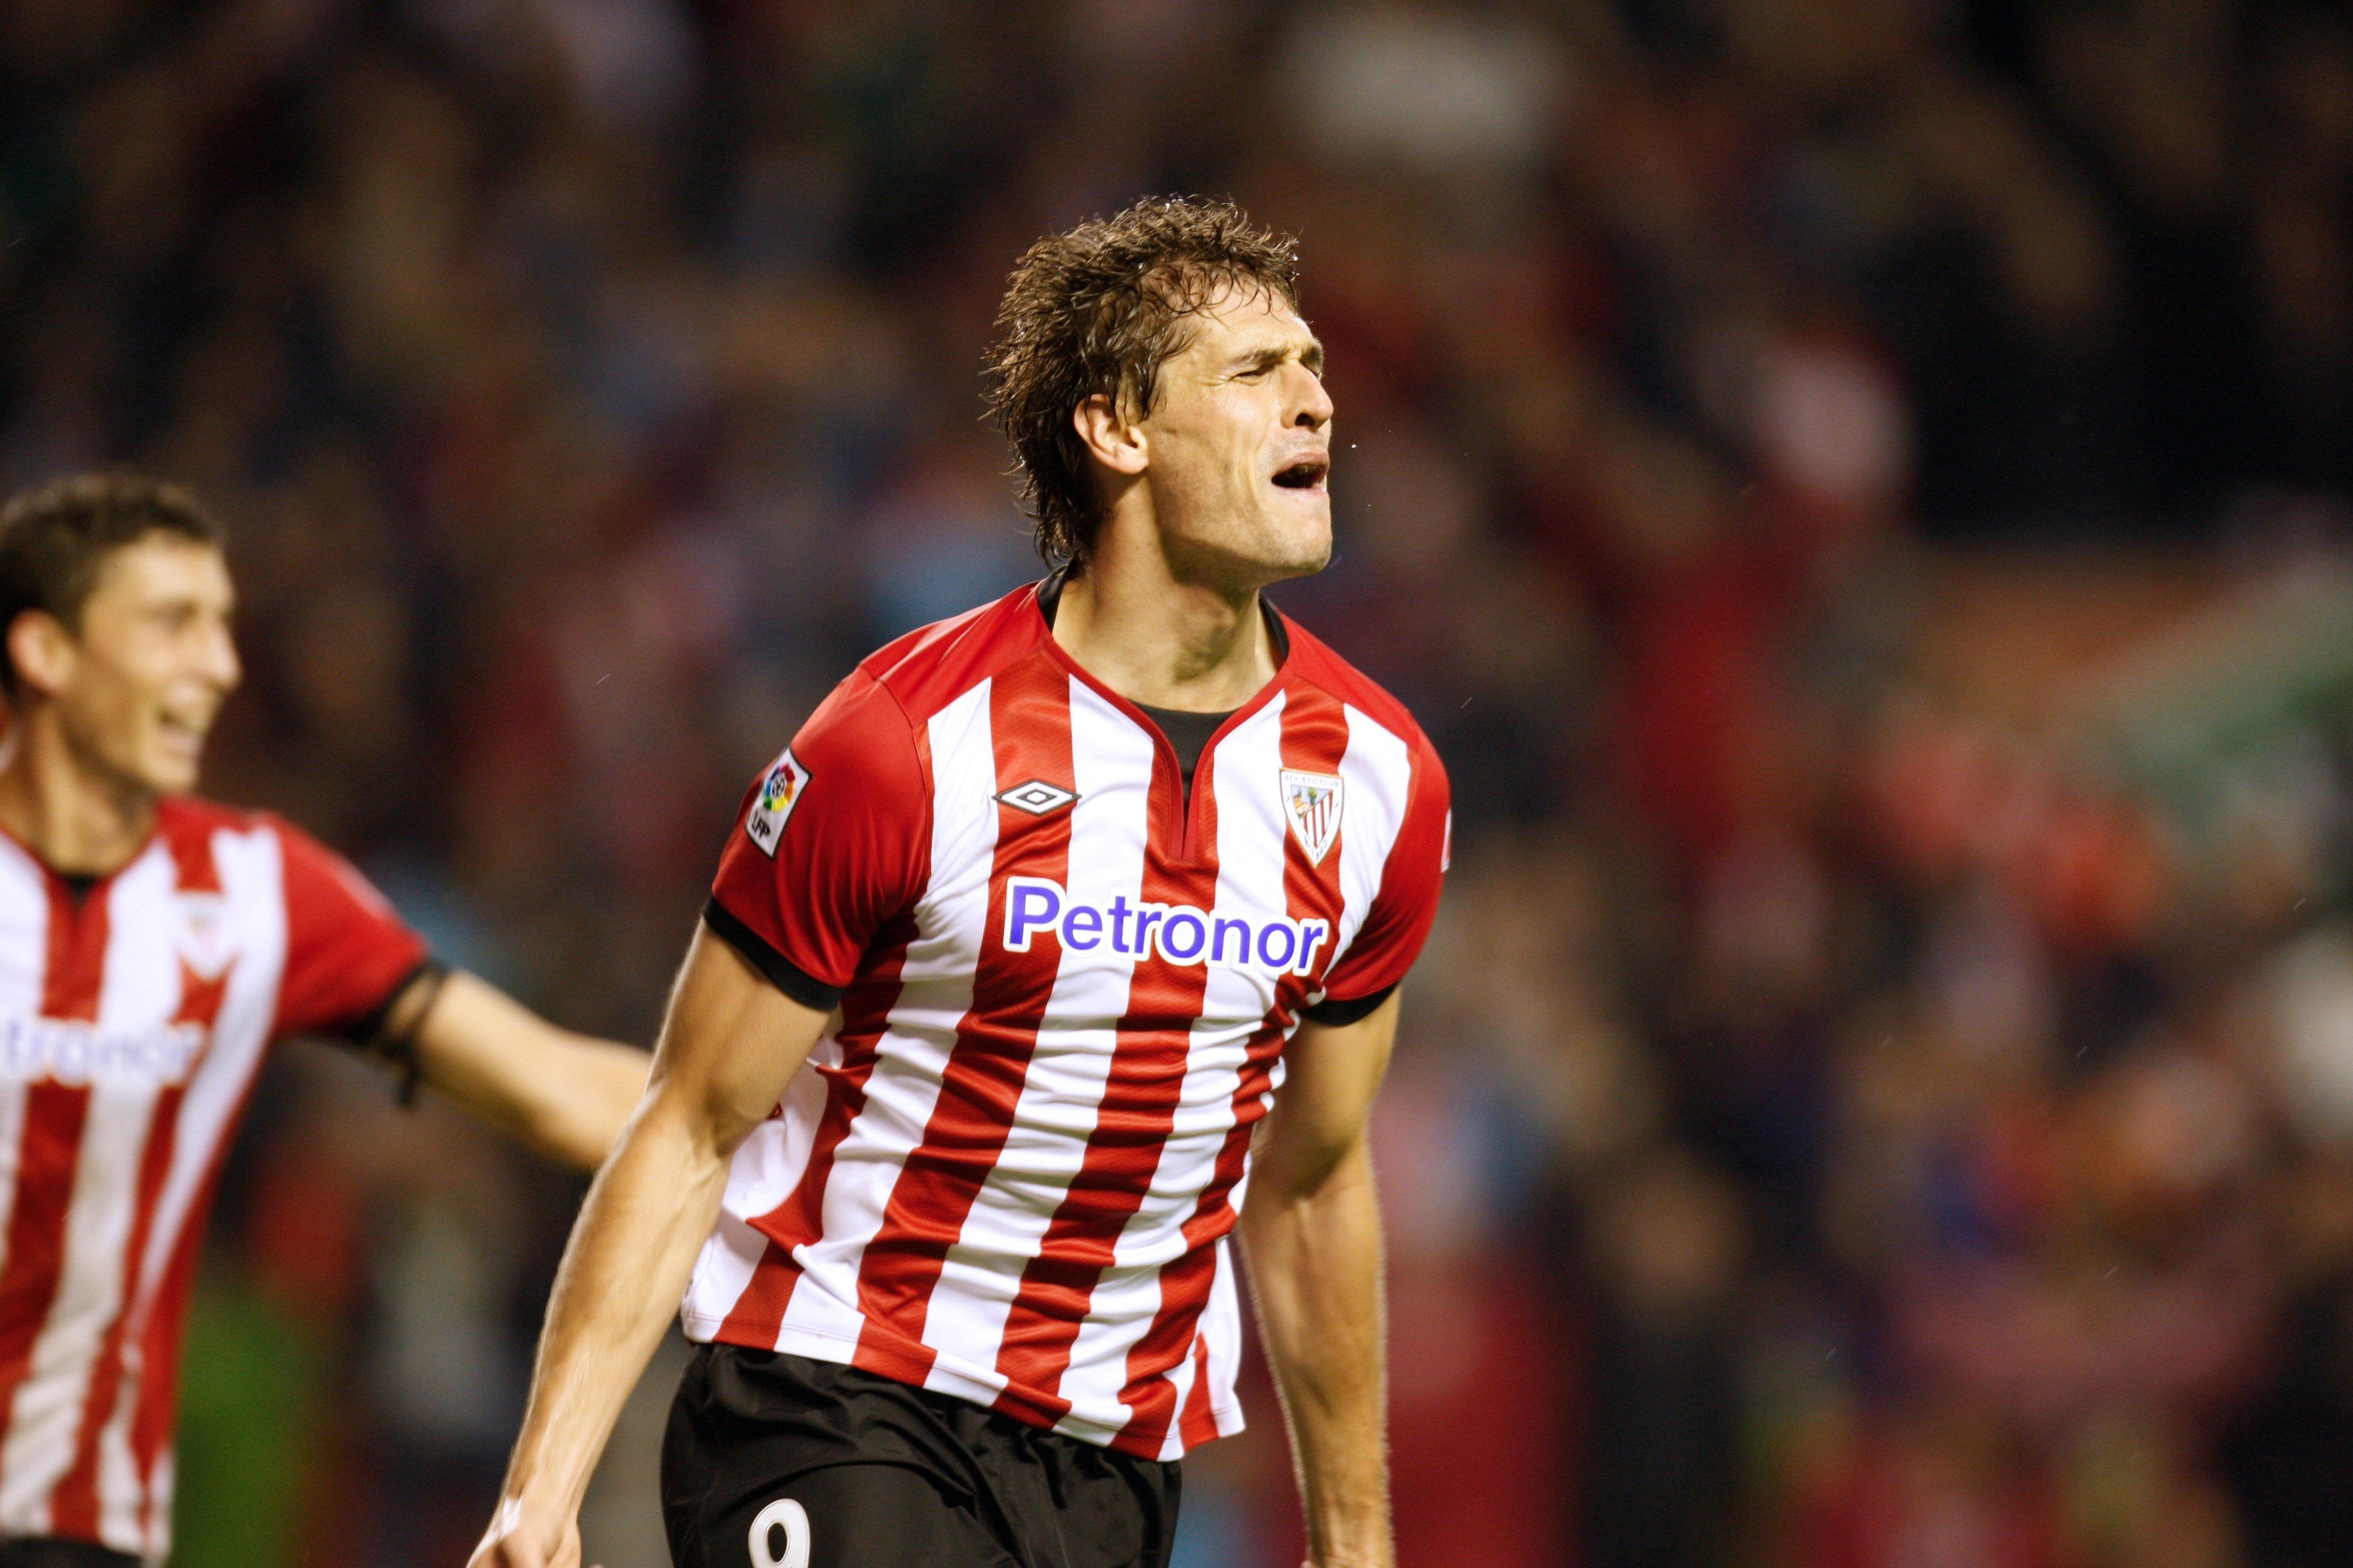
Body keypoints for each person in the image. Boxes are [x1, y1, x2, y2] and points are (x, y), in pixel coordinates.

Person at [473, 195, 1450, 1568]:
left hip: (1109, 1462)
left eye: (1313, 367)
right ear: (1116, 430)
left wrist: (1355, 1546)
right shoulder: (899, 741)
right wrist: (543, 1489)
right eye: (1255, 373)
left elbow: (1311, 1180)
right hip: (833, 1394)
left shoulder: (1379, 780)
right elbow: (692, 1119)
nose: (1314, 404)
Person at [0, 474, 649, 1568]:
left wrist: (821, 1118)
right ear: (47, 654)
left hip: (80, 1530)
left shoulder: (255, 892)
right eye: (173, 624)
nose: (220, 665)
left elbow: (554, 1084)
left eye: (221, 624)